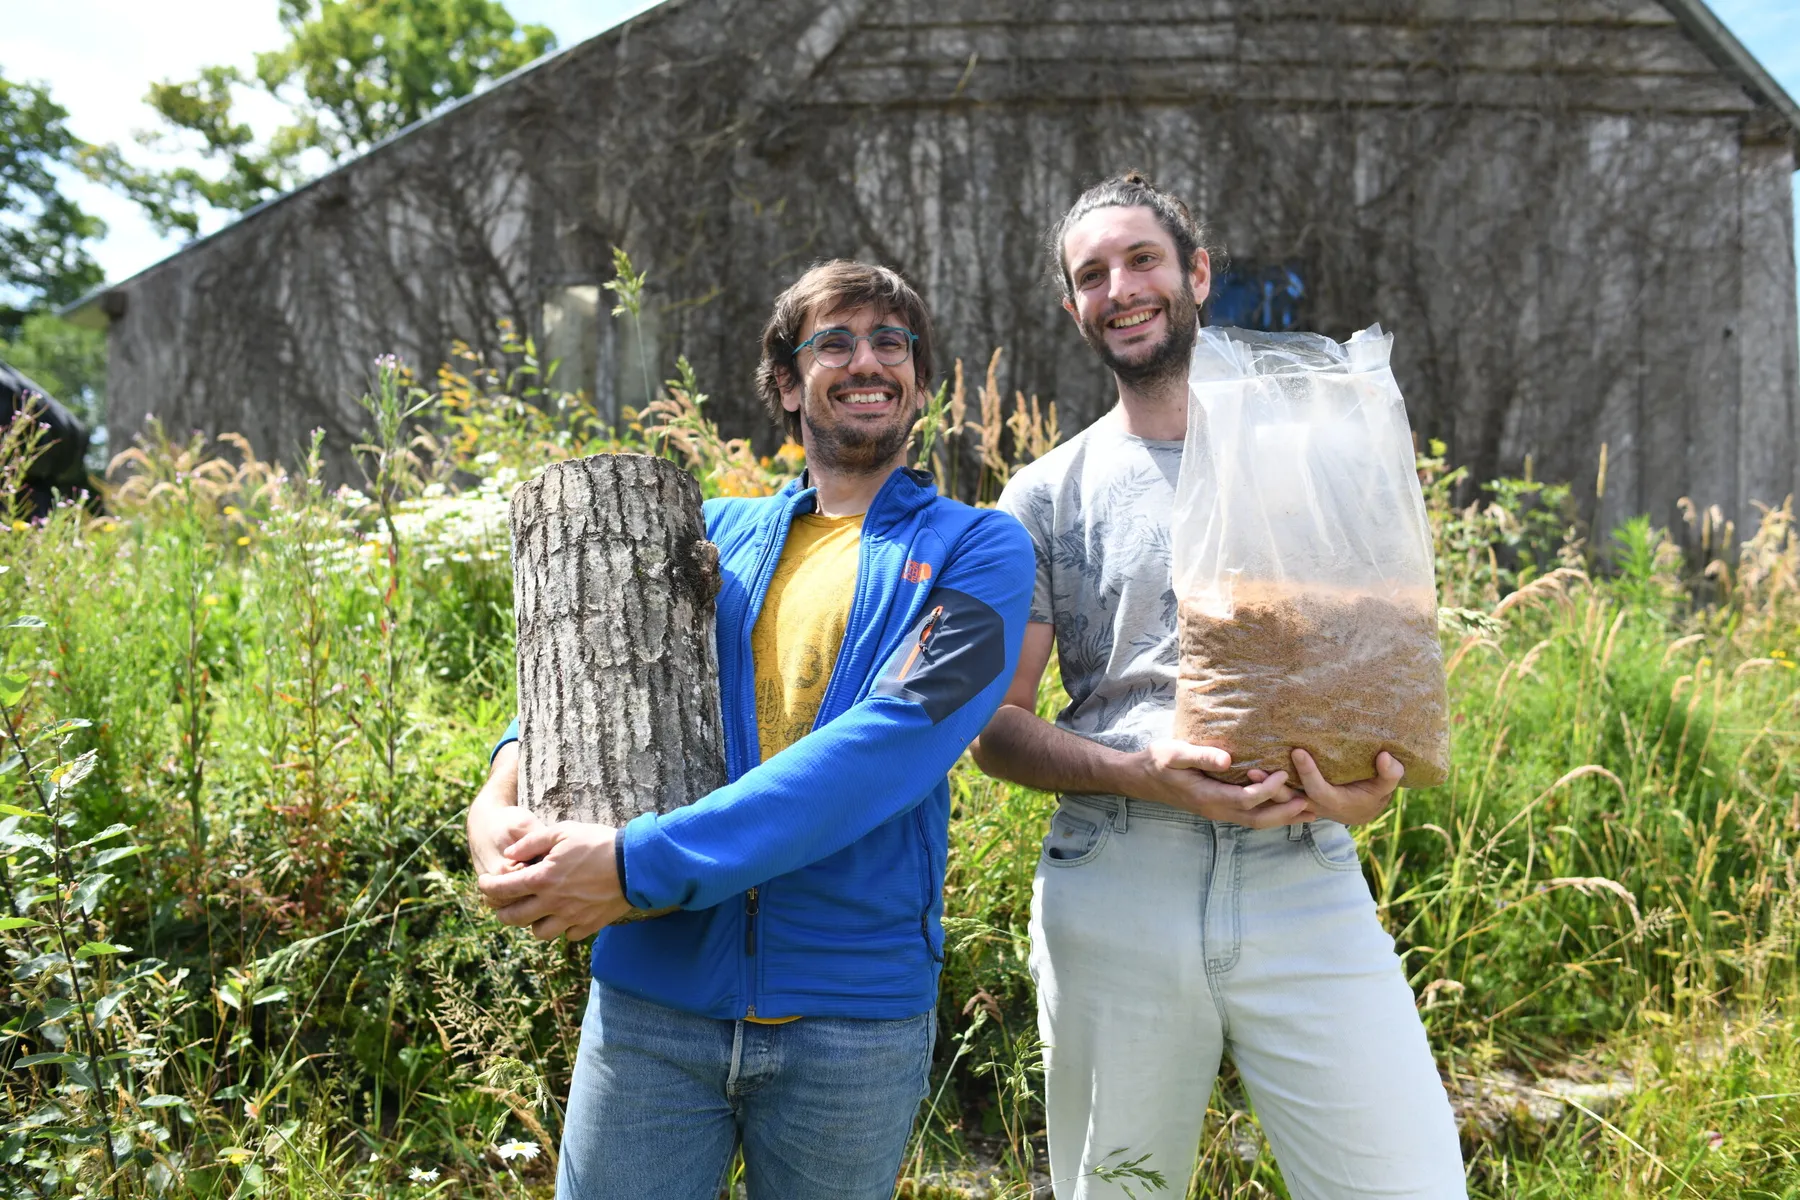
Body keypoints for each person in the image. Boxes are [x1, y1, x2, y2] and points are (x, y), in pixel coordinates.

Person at [467, 260, 1035, 1200]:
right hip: (655, 1000)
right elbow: (594, 672)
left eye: (893, 343)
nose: (869, 362)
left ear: (921, 384)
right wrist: (499, 788)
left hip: (851, 1022)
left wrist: (637, 865)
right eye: (836, 342)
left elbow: (900, 737)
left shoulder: (981, 550)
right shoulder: (704, 532)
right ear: (784, 381)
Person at [971, 173, 1466, 1199]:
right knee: (1119, 1189)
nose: (1121, 288)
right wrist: (1143, 773)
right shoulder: (1045, 492)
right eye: (1092, 275)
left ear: (1195, 273)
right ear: (1076, 308)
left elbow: (1372, 662)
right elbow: (998, 728)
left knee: (1410, 1183)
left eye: (1142, 259)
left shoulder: (1315, 462)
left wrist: (1369, 775)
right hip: (1118, 877)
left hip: (1304, 872)